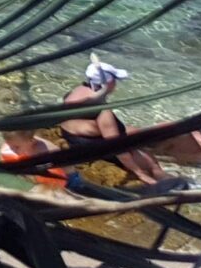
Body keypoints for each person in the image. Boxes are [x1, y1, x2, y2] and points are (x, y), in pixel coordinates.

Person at [61, 57, 168, 187]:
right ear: (109, 83)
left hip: (73, 135)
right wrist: (139, 173)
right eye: (115, 80)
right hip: (93, 146)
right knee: (152, 164)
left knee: (133, 131)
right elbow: (116, 148)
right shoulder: (103, 112)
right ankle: (164, 178)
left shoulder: (79, 91)